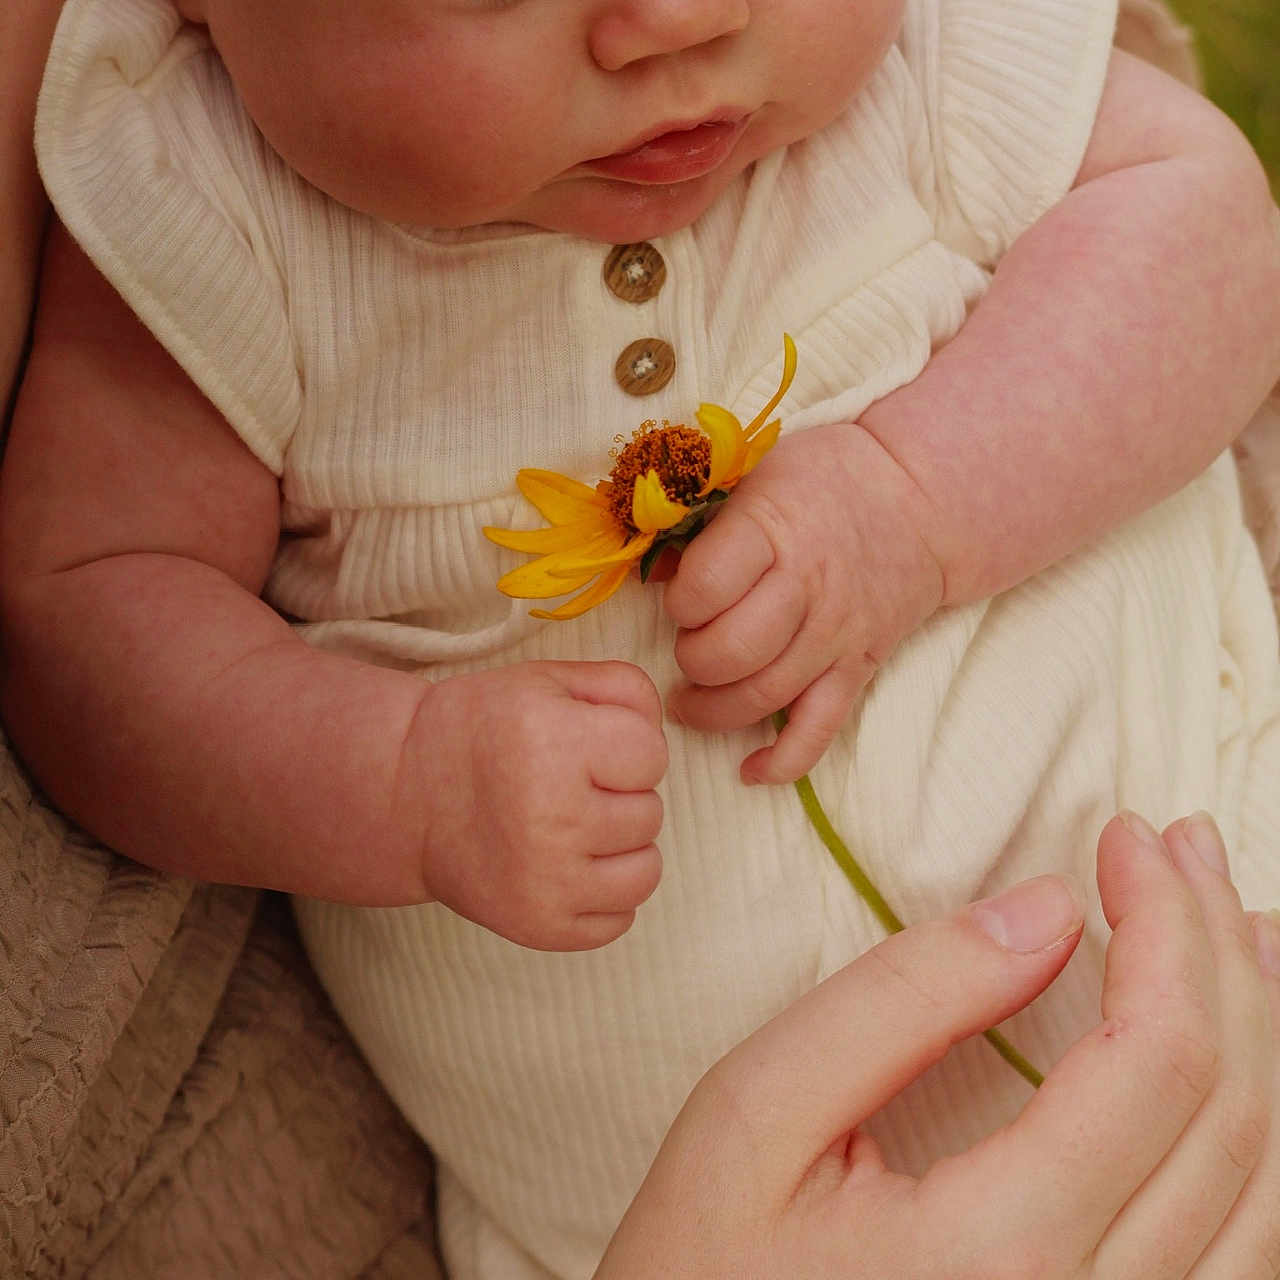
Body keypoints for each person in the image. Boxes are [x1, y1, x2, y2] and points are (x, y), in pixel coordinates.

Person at [2, 0, 1279, 1275]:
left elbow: (1207, 228)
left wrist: (912, 501)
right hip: (638, 1219)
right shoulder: (197, 194)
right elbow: (94, 612)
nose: (679, 21)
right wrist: (397, 774)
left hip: (1230, 928)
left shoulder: (931, 50)